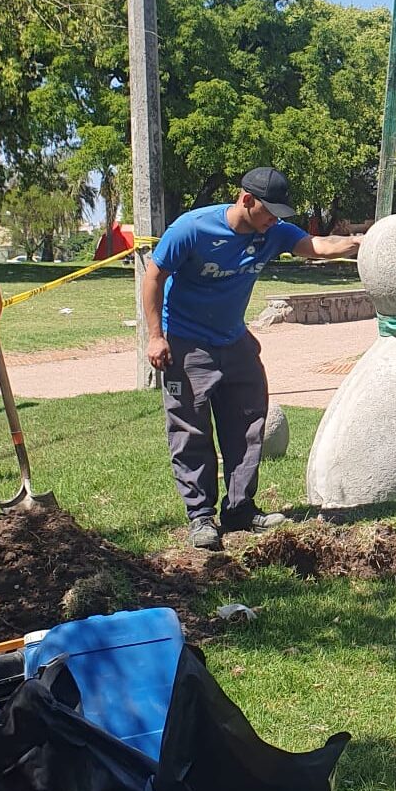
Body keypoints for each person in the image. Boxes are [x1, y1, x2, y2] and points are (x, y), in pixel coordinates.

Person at [144, 167, 361, 551]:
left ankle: (240, 509)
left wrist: (364, 241)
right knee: (190, 431)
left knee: (247, 424)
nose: (275, 220)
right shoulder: (192, 229)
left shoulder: (273, 232)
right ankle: (200, 516)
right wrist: (155, 337)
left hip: (234, 340)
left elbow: (318, 246)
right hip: (186, 342)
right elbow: (154, 276)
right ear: (247, 200)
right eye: (270, 211)